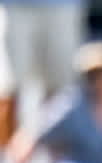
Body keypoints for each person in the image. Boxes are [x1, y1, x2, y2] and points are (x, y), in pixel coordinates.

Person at [0, 0, 86, 147]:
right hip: (14, 7)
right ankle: (7, 158)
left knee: (62, 95)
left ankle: (52, 161)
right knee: (9, 90)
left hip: (63, 6)